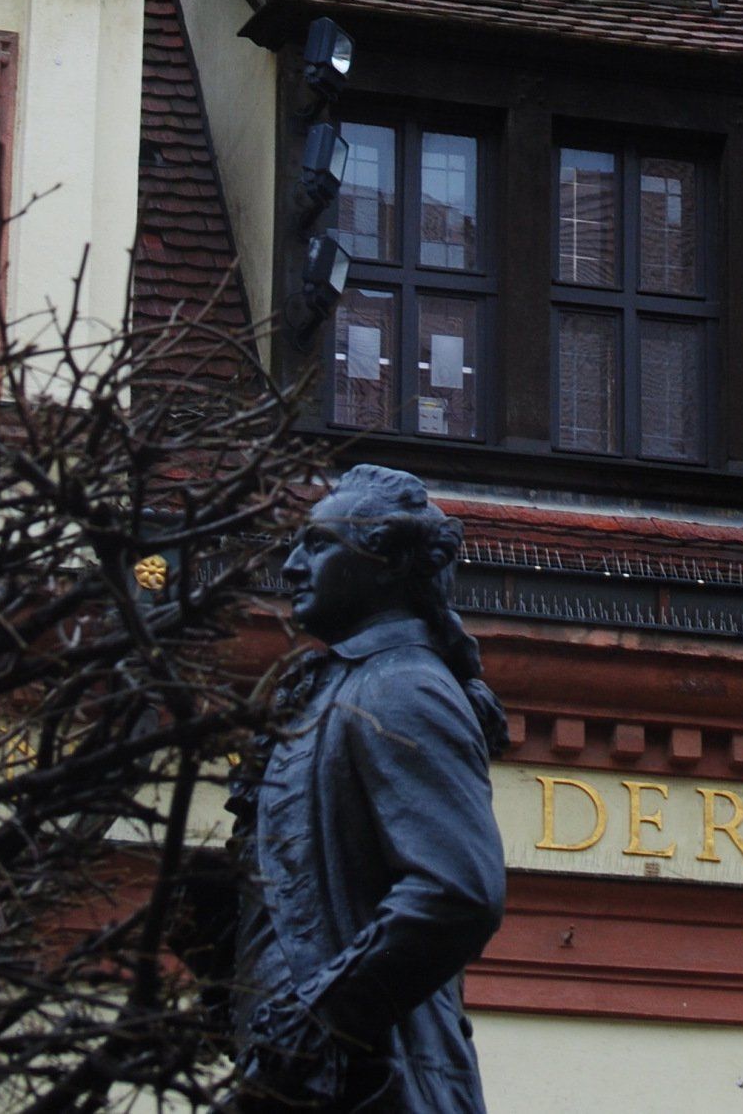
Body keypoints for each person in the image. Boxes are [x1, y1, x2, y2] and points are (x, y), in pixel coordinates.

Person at [234, 465, 509, 1114]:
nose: (293, 565)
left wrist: (317, 1021)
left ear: (389, 564)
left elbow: (456, 891)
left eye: (319, 544)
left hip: (369, 1087)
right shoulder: (339, 688)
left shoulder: (400, 687)